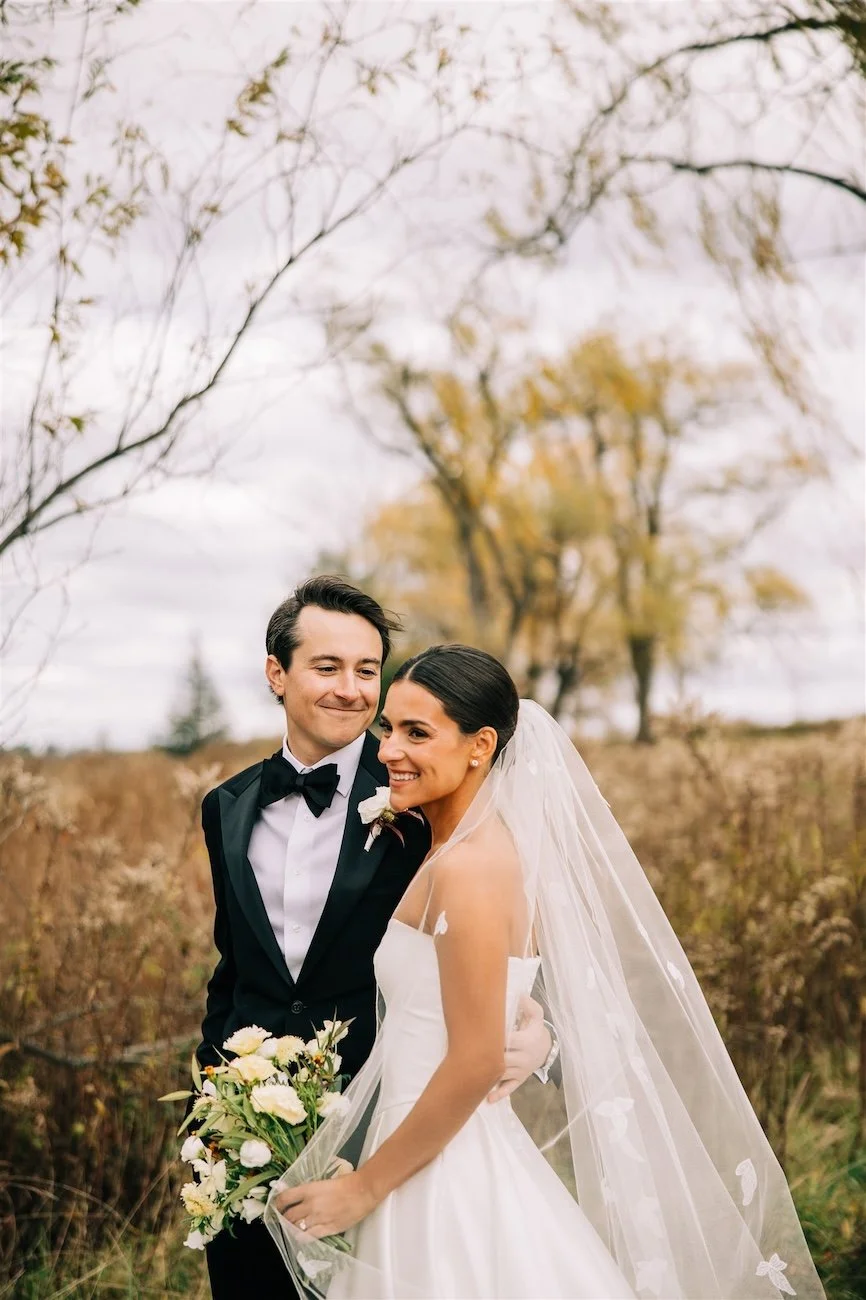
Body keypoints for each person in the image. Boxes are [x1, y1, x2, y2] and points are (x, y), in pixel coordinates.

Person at [267, 644, 825, 1300]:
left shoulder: (470, 868)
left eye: (419, 732)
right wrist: (526, 1017)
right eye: (389, 727)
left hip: (443, 1167)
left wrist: (365, 1187)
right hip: (420, 1144)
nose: (390, 748)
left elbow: (474, 1062)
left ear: (480, 746)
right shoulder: (459, 847)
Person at [196, 581, 554, 1298]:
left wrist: (539, 1028)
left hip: (382, 1128)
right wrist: (210, 1106)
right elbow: (234, 967)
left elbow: (506, 942)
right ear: (278, 673)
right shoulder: (227, 807)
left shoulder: (427, 799)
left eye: (367, 669)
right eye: (327, 667)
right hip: (244, 1133)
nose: (352, 691)